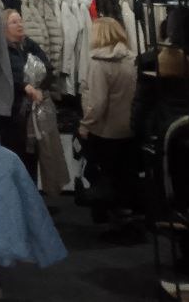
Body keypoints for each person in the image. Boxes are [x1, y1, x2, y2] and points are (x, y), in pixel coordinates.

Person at [78, 17, 137, 226]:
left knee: (104, 175)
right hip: (128, 127)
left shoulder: (99, 63)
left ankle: (109, 218)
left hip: (105, 129)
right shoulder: (131, 59)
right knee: (124, 177)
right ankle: (126, 220)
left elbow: (97, 102)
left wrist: (85, 124)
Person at [0, 8, 52, 182]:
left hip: (33, 112)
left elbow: (47, 67)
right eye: (14, 22)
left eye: (20, 20)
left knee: (32, 156)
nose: (19, 25)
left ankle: (32, 193)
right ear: (5, 26)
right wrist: (24, 86)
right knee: (16, 155)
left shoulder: (29, 45)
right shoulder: (2, 49)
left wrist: (40, 87)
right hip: (13, 112)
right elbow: (4, 76)